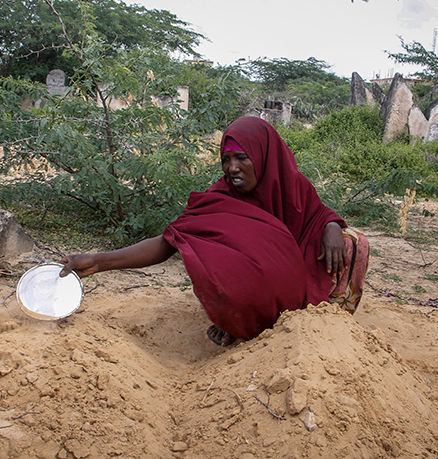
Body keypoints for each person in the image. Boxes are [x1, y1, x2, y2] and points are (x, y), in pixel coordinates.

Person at [60, 117, 369, 346]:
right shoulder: (220, 198)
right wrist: (99, 261)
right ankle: (242, 320)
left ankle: (329, 327)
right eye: (226, 160)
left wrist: (331, 225)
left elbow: (317, 212)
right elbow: (170, 240)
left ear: (264, 156)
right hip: (269, 286)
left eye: (241, 158)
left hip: (301, 269)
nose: (232, 168)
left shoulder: (292, 185)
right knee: (230, 259)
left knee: (354, 242)